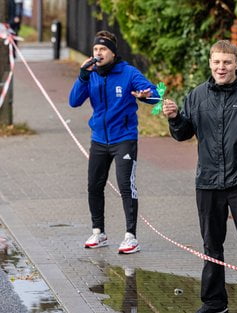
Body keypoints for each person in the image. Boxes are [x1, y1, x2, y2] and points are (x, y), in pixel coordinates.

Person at [162, 40, 237, 313]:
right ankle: (214, 302)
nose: (221, 67)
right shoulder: (197, 95)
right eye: (216, 62)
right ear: (210, 63)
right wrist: (175, 117)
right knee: (211, 245)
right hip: (208, 182)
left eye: (227, 62)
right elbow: (182, 133)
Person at [69, 31, 159, 254]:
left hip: (124, 139)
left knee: (125, 186)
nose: (98, 53)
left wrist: (145, 95)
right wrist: (82, 76)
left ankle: (131, 237)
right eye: (95, 50)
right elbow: (73, 102)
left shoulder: (128, 73)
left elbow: (157, 95)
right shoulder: (91, 74)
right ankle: (98, 232)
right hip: (99, 139)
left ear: (112, 53)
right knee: (94, 185)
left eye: (103, 50)